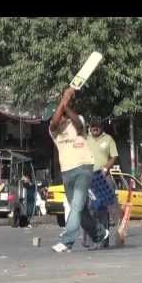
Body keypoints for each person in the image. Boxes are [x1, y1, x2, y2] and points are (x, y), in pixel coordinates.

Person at [49, 87, 109, 253]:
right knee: (80, 211)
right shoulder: (53, 130)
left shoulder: (77, 121)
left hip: (84, 168)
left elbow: (77, 122)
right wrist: (64, 100)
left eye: (61, 115)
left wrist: (66, 104)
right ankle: (99, 234)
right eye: (58, 114)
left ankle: (67, 242)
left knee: (76, 206)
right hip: (67, 172)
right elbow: (54, 122)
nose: (59, 118)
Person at [86, 116, 123, 248]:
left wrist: (106, 167)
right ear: (90, 127)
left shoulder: (108, 139)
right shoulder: (85, 139)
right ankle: (90, 240)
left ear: (101, 127)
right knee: (89, 209)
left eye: (97, 126)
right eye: (92, 126)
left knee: (102, 208)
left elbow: (114, 156)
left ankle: (103, 240)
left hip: (103, 177)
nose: (95, 128)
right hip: (88, 177)